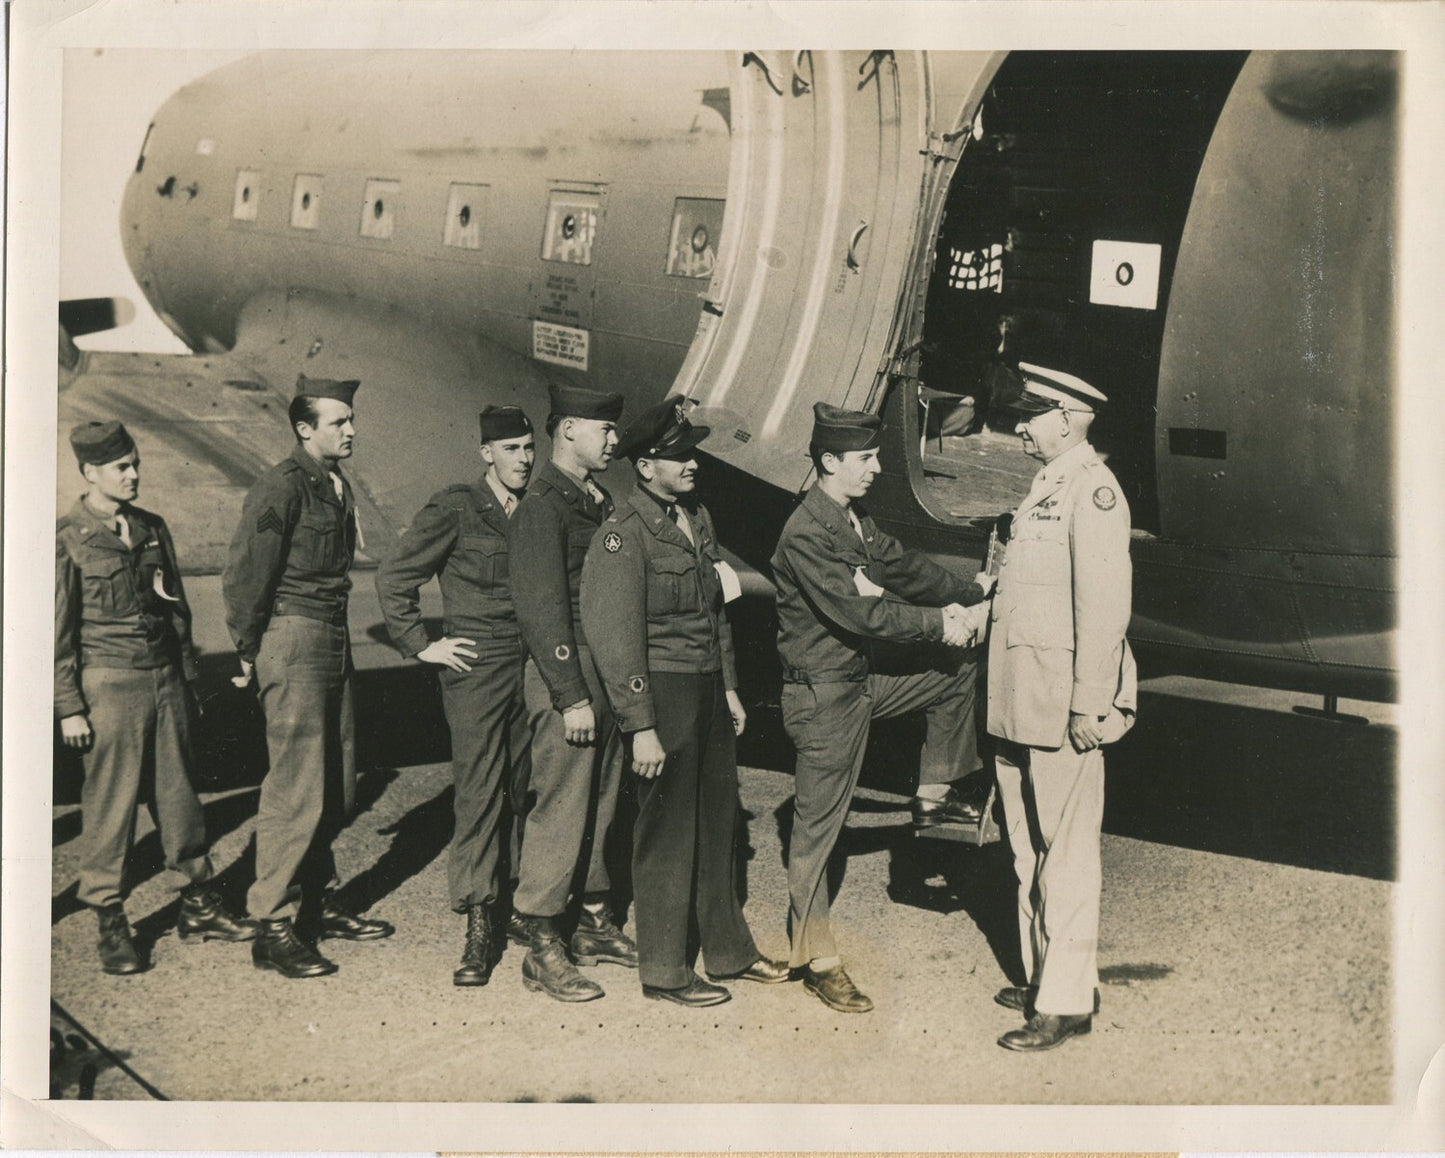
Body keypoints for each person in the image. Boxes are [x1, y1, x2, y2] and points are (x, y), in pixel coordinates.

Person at [770, 402, 992, 1013]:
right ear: (829, 461)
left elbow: (903, 568)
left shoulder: (852, 517)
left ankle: (936, 798)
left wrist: (973, 591)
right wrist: (940, 623)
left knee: (955, 672)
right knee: (818, 834)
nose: (875, 468)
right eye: (865, 459)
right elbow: (859, 612)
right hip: (822, 698)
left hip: (859, 681)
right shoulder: (807, 532)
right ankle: (816, 959)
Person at [580, 398, 791, 1007]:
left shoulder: (695, 518)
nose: (691, 463)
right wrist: (640, 726)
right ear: (645, 466)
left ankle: (728, 951)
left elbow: (713, 611)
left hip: (704, 690)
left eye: (691, 452)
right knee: (667, 834)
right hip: (662, 695)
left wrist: (727, 686)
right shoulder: (623, 536)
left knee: (718, 823)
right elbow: (615, 639)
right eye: (677, 455)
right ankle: (665, 970)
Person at [56, 422, 256, 974]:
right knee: (110, 805)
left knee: (180, 797)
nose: (134, 474)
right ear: (90, 472)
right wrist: (69, 705)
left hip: (165, 680)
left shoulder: (151, 528)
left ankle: (197, 904)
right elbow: (58, 632)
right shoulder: (69, 538)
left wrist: (188, 680)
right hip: (109, 684)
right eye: (122, 467)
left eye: (136, 463)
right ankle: (110, 918)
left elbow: (176, 610)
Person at [986, 362, 1137, 1052]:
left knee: (1067, 854)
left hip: (1061, 706)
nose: (1019, 426)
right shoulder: (1046, 486)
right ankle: (1045, 975)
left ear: (1067, 417)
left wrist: (1089, 706)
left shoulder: (1093, 491)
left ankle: (1067, 1002)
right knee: (1027, 851)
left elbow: (1103, 610)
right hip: (1021, 700)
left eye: (1030, 414)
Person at [223, 375, 394, 979]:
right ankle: (271, 923)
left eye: (351, 420)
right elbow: (248, 574)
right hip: (294, 638)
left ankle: (316, 906)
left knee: (335, 781)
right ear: (304, 428)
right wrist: (249, 649)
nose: (350, 430)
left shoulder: (333, 483)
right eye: (338, 422)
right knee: (295, 786)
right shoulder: (283, 485)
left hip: (331, 636)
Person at [375, 405, 535, 987]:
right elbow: (395, 577)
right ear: (485, 453)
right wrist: (421, 645)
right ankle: (477, 918)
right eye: (511, 449)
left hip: (529, 665)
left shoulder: (536, 507)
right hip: (477, 668)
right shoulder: (457, 507)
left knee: (522, 787)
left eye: (527, 447)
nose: (523, 459)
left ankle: (512, 901)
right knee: (478, 790)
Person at [509, 381, 637, 1002]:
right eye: (604, 430)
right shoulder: (543, 506)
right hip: (570, 678)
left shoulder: (596, 500)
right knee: (561, 809)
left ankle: (590, 921)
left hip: (605, 674)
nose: (614, 441)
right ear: (567, 431)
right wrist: (569, 694)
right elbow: (540, 608)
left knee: (602, 803)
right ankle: (540, 943)